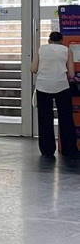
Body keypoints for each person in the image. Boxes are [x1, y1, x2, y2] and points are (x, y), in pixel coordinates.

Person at [30, 31, 78, 159]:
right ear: (61, 41)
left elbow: (33, 69)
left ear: (49, 40)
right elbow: (71, 74)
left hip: (43, 86)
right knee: (66, 119)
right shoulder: (67, 51)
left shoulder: (41, 49)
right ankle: (69, 149)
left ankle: (47, 150)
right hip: (61, 86)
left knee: (45, 119)